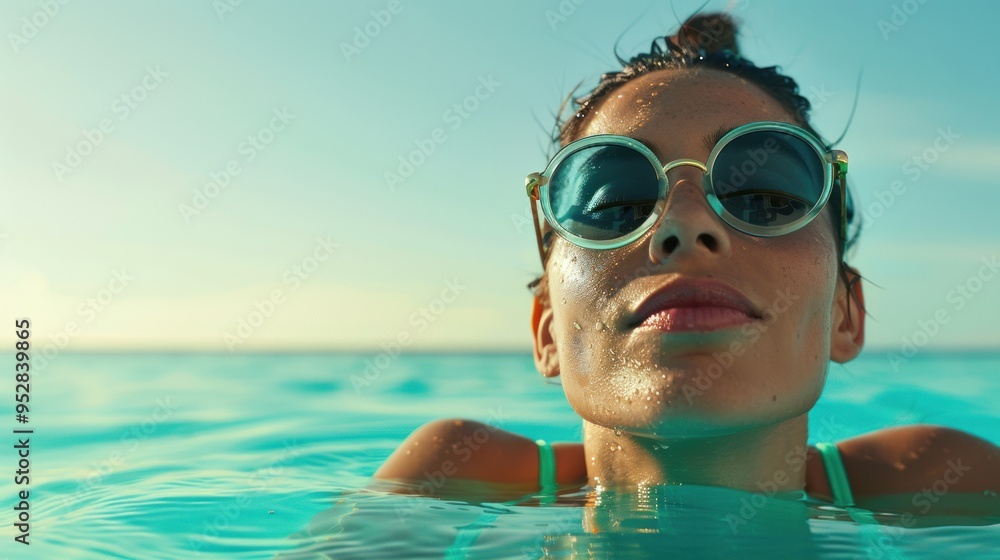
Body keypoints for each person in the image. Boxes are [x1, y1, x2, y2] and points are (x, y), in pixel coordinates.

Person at [373, 12, 999, 511]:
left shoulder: (944, 484)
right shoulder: (453, 476)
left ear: (845, 313)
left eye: (765, 195)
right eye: (614, 199)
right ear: (546, 331)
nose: (685, 224)